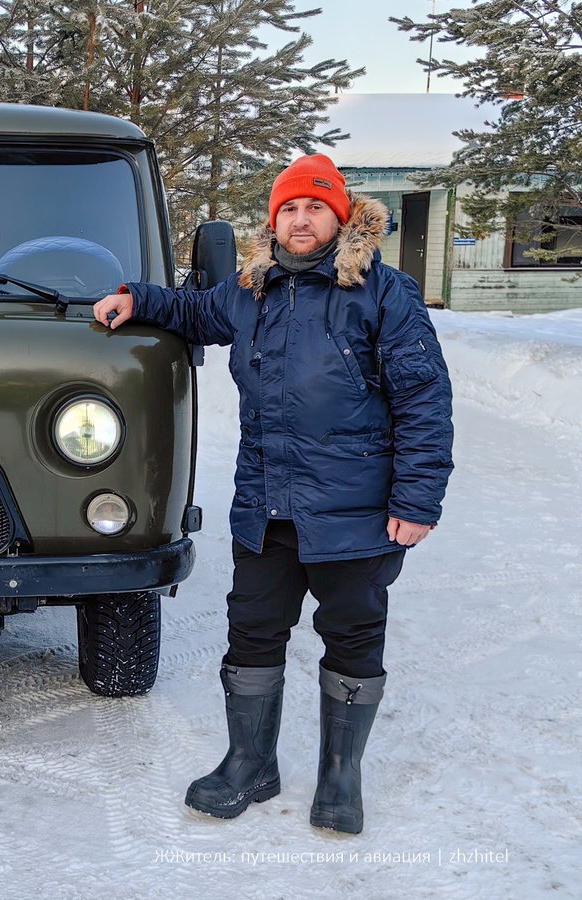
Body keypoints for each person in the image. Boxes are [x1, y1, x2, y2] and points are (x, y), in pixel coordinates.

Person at [93, 154, 453, 834]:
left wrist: (416, 500)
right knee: (252, 632)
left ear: (340, 215)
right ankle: (250, 763)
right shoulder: (250, 289)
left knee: (352, 635)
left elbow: (424, 400)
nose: (300, 218)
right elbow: (195, 311)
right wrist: (139, 299)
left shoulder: (384, 292)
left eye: (314, 206)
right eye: (288, 208)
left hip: (354, 511)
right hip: (266, 509)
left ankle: (340, 778)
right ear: (274, 221)